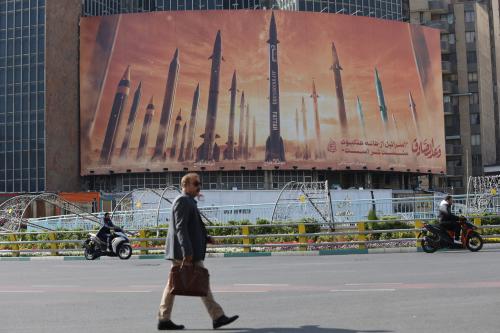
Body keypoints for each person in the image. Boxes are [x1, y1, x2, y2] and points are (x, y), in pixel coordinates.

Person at [157, 173, 239, 331]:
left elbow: (191, 227)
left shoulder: (189, 201)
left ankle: (164, 318)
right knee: (198, 281)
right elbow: (180, 228)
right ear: (186, 185)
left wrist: (206, 238)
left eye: (199, 183)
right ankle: (217, 316)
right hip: (185, 252)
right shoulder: (182, 201)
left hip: (187, 250)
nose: (199, 186)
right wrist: (186, 251)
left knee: (176, 283)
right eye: (196, 183)